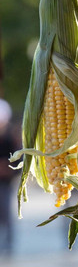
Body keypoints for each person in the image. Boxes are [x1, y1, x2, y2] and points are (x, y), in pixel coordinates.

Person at [0, 99, 17, 256]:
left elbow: (19, 159)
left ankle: (8, 242)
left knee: (6, 211)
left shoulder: (11, 136)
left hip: (6, 181)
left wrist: (9, 169)